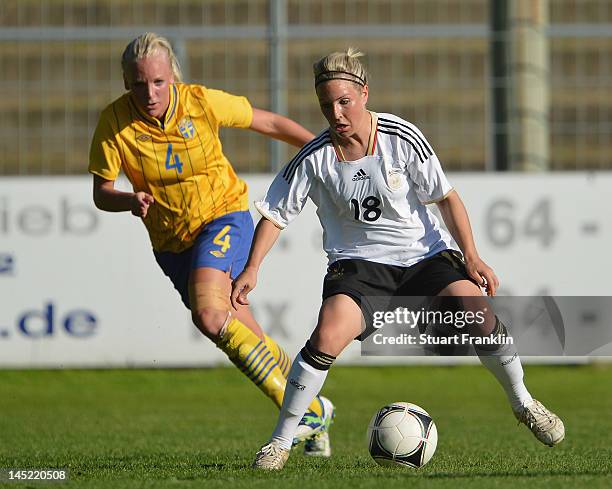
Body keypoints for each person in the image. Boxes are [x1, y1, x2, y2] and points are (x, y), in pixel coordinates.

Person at [231, 48, 565, 470]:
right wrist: (252, 268)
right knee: (327, 337)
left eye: (343, 101)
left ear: (364, 94)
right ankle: (279, 441)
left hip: (424, 257)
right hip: (357, 266)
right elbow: (276, 216)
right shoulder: (313, 157)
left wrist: (472, 257)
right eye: (326, 105)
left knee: (476, 312)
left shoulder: (400, 137)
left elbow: (446, 198)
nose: (335, 113)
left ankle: (523, 403)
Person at [88, 32, 335, 457]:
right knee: (240, 328)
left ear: (173, 78)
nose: (149, 93)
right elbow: (101, 192)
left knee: (208, 315)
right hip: (172, 242)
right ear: (126, 82)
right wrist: (129, 199)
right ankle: (312, 406)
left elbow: (269, 123)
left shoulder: (200, 101)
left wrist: (323, 148)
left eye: (159, 82)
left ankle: (302, 417)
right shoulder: (114, 123)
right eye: (138, 84)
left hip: (223, 215)